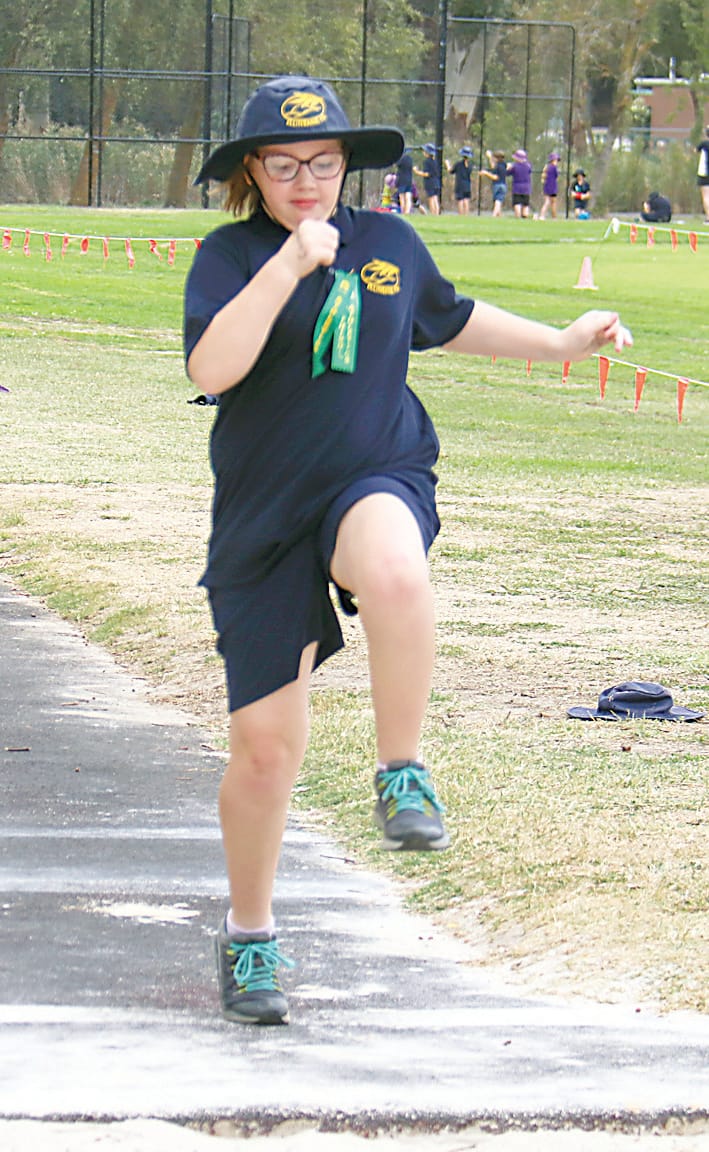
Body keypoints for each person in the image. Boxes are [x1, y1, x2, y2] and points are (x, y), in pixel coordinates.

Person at [183, 73, 633, 1028]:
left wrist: (562, 343)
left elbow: (450, 317)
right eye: (283, 165)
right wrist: (289, 265)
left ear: (346, 163)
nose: (306, 181)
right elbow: (211, 367)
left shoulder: (389, 243)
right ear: (252, 173)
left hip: (373, 470)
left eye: (322, 162)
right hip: (264, 514)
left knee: (394, 567)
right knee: (264, 753)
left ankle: (401, 770)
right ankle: (250, 935)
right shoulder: (230, 257)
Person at [414, 143, 441, 215]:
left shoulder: (427, 162)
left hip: (430, 183)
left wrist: (416, 172)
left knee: (431, 199)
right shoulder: (435, 161)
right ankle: (436, 214)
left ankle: (433, 213)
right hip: (436, 182)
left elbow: (426, 174)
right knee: (435, 199)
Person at [446, 146, 473, 215]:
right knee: (466, 200)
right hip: (467, 185)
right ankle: (466, 215)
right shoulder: (470, 165)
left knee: (460, 200)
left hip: (459, 185)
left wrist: (447, 164)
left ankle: (461, 215)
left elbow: (450, 171)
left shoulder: (458, 164)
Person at [479, 149, 507, 216]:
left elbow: (495, 177)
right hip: (503, 185)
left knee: (498, 201)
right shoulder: (503, 165)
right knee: (498, 200)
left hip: (498, 185)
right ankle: (499, 216)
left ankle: (494, 215)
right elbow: (493, 166)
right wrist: (490, 157)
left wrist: (486, 173)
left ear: (496, 158)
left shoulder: (498, 167)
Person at [506, 148, 533, 218]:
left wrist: (508, 167)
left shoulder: (514, 166)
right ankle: (525, 217)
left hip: (517, 188)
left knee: (517, 203)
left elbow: (507, 173)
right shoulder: (528, 166)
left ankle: (517, 216)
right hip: (526, 188)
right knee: (525, 204)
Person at [539, 152, 560, 220]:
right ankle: (552, 217)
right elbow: (557, 176)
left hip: (546, 187)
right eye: (556, 160)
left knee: (548, 201)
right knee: (552, 202)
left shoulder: (547, 167)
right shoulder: (554, 167)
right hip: (552, 187)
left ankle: (543, 215)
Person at [395, 146, 413, 215]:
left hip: (402, 180)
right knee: (408, 196)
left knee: (401, 196)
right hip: (409, 180)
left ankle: (403, 211)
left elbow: (397, 164)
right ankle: (407, 211)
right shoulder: (410, 159)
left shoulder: (401, 159)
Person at [696, 126, 709, 223]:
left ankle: (708, 217)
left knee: (706, 196)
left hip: (704, 173)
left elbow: (696, 150)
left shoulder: (704, 144)